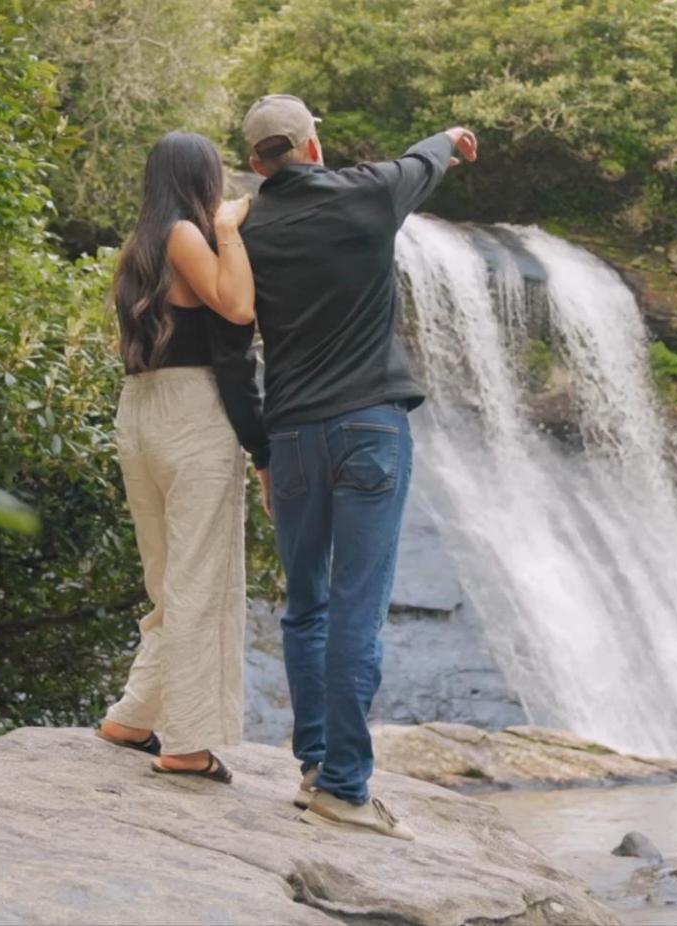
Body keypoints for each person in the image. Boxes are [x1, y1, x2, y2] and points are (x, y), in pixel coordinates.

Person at [239, 95, 478, 838]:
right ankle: (345, 787)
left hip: (292, 439)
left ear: (255, 163)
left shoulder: (246, 227)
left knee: (304, 605)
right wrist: (448, 136)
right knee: (357, 608)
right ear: (315, 145)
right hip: (371, 427)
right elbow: (423, 160)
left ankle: (314, 766)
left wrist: (262, 453)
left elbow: (231, 343)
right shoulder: (370, 193)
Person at [96, 131, 269, 786]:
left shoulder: (138, 245)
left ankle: (134, 715)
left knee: (168, 576)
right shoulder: (185, 236)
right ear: (200, 180)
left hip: (140, 409)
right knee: (200, 577)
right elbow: (238, 304)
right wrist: (228, 225)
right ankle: (188, 744)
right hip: (192, 413)